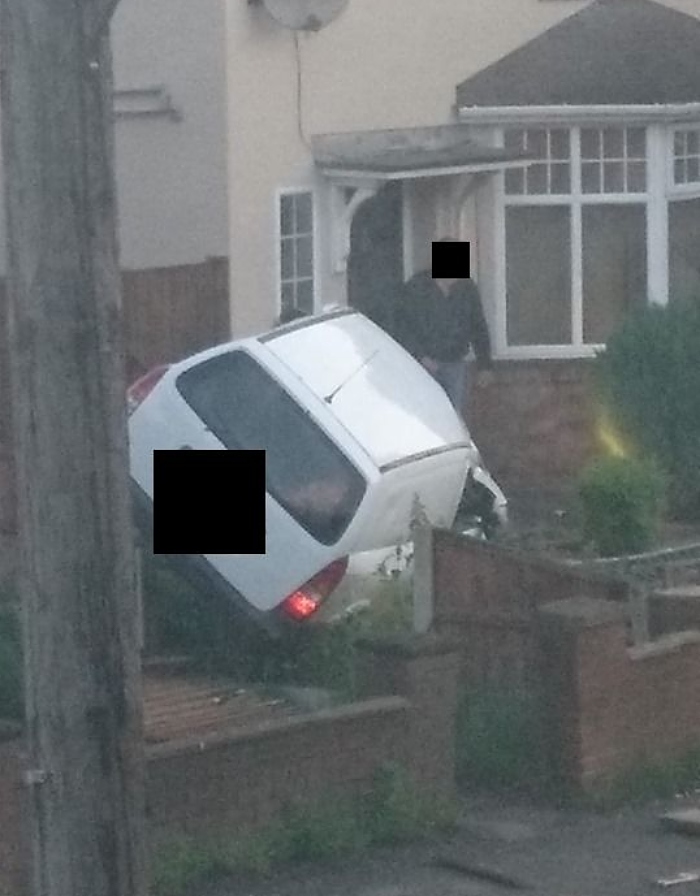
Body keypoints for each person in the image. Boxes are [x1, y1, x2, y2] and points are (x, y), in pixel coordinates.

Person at [395, 237, 493, 413]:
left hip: (455, 364)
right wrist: (420, 356)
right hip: (423, 366)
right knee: (426, 414)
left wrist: (485, 365)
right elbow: (402, 326)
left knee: (454, 416)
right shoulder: (417, 287)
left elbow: (478, 326)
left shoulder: (467, 288)